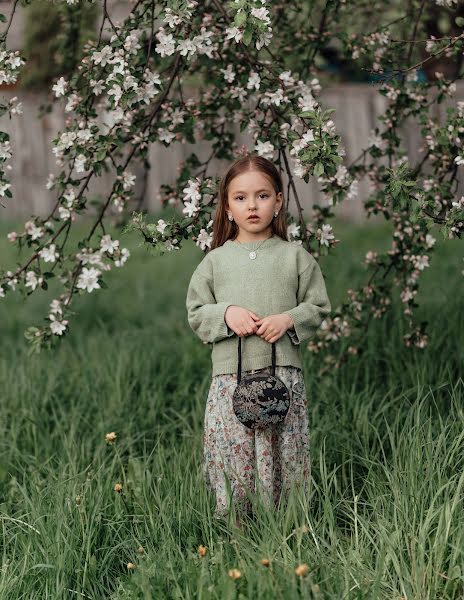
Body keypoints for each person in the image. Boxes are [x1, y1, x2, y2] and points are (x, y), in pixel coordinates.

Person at [185, 153, 331, 528]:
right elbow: (197, 311)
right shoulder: (215, 262)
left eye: (263, 196)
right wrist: (227, 314)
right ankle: (235, 525)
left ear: (279, 201)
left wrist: (289, 319)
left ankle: (289, 524)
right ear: (228, 207)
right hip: (230, 379)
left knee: (284, 451)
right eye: (240, 197)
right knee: (234, 454)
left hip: (282, 376)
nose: (252, 205)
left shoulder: (295, 257)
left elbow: (318, 306)